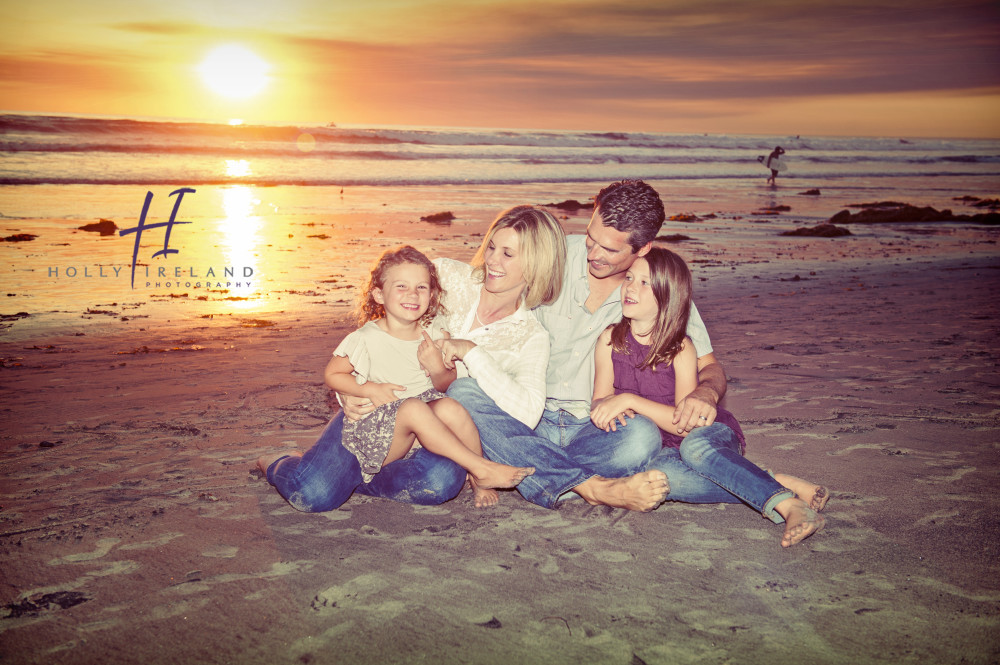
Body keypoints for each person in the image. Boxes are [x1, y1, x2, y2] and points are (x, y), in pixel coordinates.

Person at [259, 205, 567, 511]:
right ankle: (284, 464)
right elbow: (384, 317)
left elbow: (526, 415)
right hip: (375, 415)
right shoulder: (445, 276)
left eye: (507, 254)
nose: (491, 260)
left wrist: (471, 353)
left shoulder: (531, 336)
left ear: (536, 264)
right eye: (491, 247)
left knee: (440, 483)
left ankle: (471, 472)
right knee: (313, 493)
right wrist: (352, 391)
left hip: (436, 432)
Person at [591, 247, 826, 546]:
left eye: (645, 282)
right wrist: (604, 410)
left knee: (694, 449)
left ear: (668, 296)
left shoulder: (680, 349)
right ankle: (769, 480)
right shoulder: (610, 339)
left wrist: (628, 401)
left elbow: (684, 425)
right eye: (629, 278)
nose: (630, 287)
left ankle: (787, 504)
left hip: (705, 432)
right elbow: (599, 398)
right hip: (659, 445)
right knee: (659, 477)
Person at [325, 245, 534, 503]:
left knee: (452, 408)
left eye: (421, 287)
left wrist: (436, 366)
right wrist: (368, 388)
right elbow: (333, 374)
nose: (412, 294)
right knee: (413, 408)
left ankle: (478, 479)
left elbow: (446, 384)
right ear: (379, 294)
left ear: (432, 294)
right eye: (401, 286)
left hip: (425, 431)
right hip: (382, 434)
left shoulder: (434, 332)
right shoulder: (366, 338)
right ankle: (482, 469)